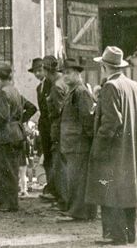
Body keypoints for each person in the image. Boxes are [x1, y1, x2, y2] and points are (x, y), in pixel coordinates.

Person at [86, 46, 137, 245]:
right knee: (127, 191)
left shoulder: (110, 87)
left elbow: (110, 122)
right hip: (130, 148)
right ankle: (128, 235)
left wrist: (98, 148)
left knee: (111, 191)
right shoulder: (134, 86)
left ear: (104, 66)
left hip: (113, 149)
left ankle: (115, 235)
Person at [57, 57, 96, 222]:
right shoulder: (72, 92)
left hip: (79, 144)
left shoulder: (80, 92)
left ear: (78, 74)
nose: (65, 77)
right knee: (74, 178)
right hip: (72, 144)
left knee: (79, 179)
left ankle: (81, 212)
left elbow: (87, 119)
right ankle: (77, 210)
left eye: (69, 73)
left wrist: (89, 141)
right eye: (64, 73)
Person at [0, 63, 26, 212]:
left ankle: (6, 204)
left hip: (5, 135)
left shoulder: (3, 92)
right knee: (13, 170)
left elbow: (2, 117)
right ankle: (12, 202)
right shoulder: (15, 90)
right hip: (16, 133)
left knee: (3, 171)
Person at [45, 55, 68, 210]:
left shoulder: (56, 86)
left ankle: (63, 201)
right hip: (65, 130)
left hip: (59, 129)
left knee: (60, 166)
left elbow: (61, 111)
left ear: (48, 71)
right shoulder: (65, 82)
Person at [35, 55, 58, 201]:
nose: (38, 73)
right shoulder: (39, 87)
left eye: (40, 70)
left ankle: (54, 188)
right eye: (35, 72)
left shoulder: (53, 84)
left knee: (53, 157)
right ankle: (51, 186)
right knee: (47, 157)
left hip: (51, 125)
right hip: (44, 126)